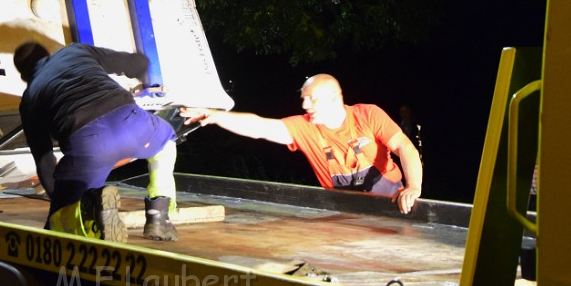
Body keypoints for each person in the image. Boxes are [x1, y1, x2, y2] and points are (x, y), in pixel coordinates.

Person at [180, 73, 423, 214]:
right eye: (303, 99)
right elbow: (260, 127)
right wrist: (215, 116)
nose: (305, 105)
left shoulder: (367, 114)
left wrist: (413, 188)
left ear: (334, 98)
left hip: (393, 204)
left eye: (312, 99)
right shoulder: (304, 126)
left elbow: (405, 147)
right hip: (345, 213)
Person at [14, 40, 180, 242]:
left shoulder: (30, 98)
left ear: (24, 76)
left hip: (88, 146)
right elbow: (138, 63)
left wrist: (61, 199)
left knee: (58, 223)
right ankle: (158, 215)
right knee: (166, 141)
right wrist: (140, 71)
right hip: (133, 123)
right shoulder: (75, 51)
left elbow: (45, 161)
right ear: (49, 53)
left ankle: (90, 207)